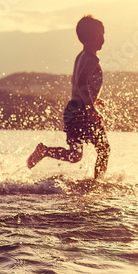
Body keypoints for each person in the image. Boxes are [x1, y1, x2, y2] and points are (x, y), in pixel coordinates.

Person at [27, 15, 110, 178]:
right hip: (83, 112)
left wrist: (93, 99)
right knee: (103, 149)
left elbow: (77, 83)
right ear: (95, 36)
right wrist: (91, 108)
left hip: (73, 110)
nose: (103, 38)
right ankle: (98, 184)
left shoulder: (81, 56)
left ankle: (45, 151)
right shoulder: (91, 59)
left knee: (75, 155)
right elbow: (80, 83)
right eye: (102, 34)